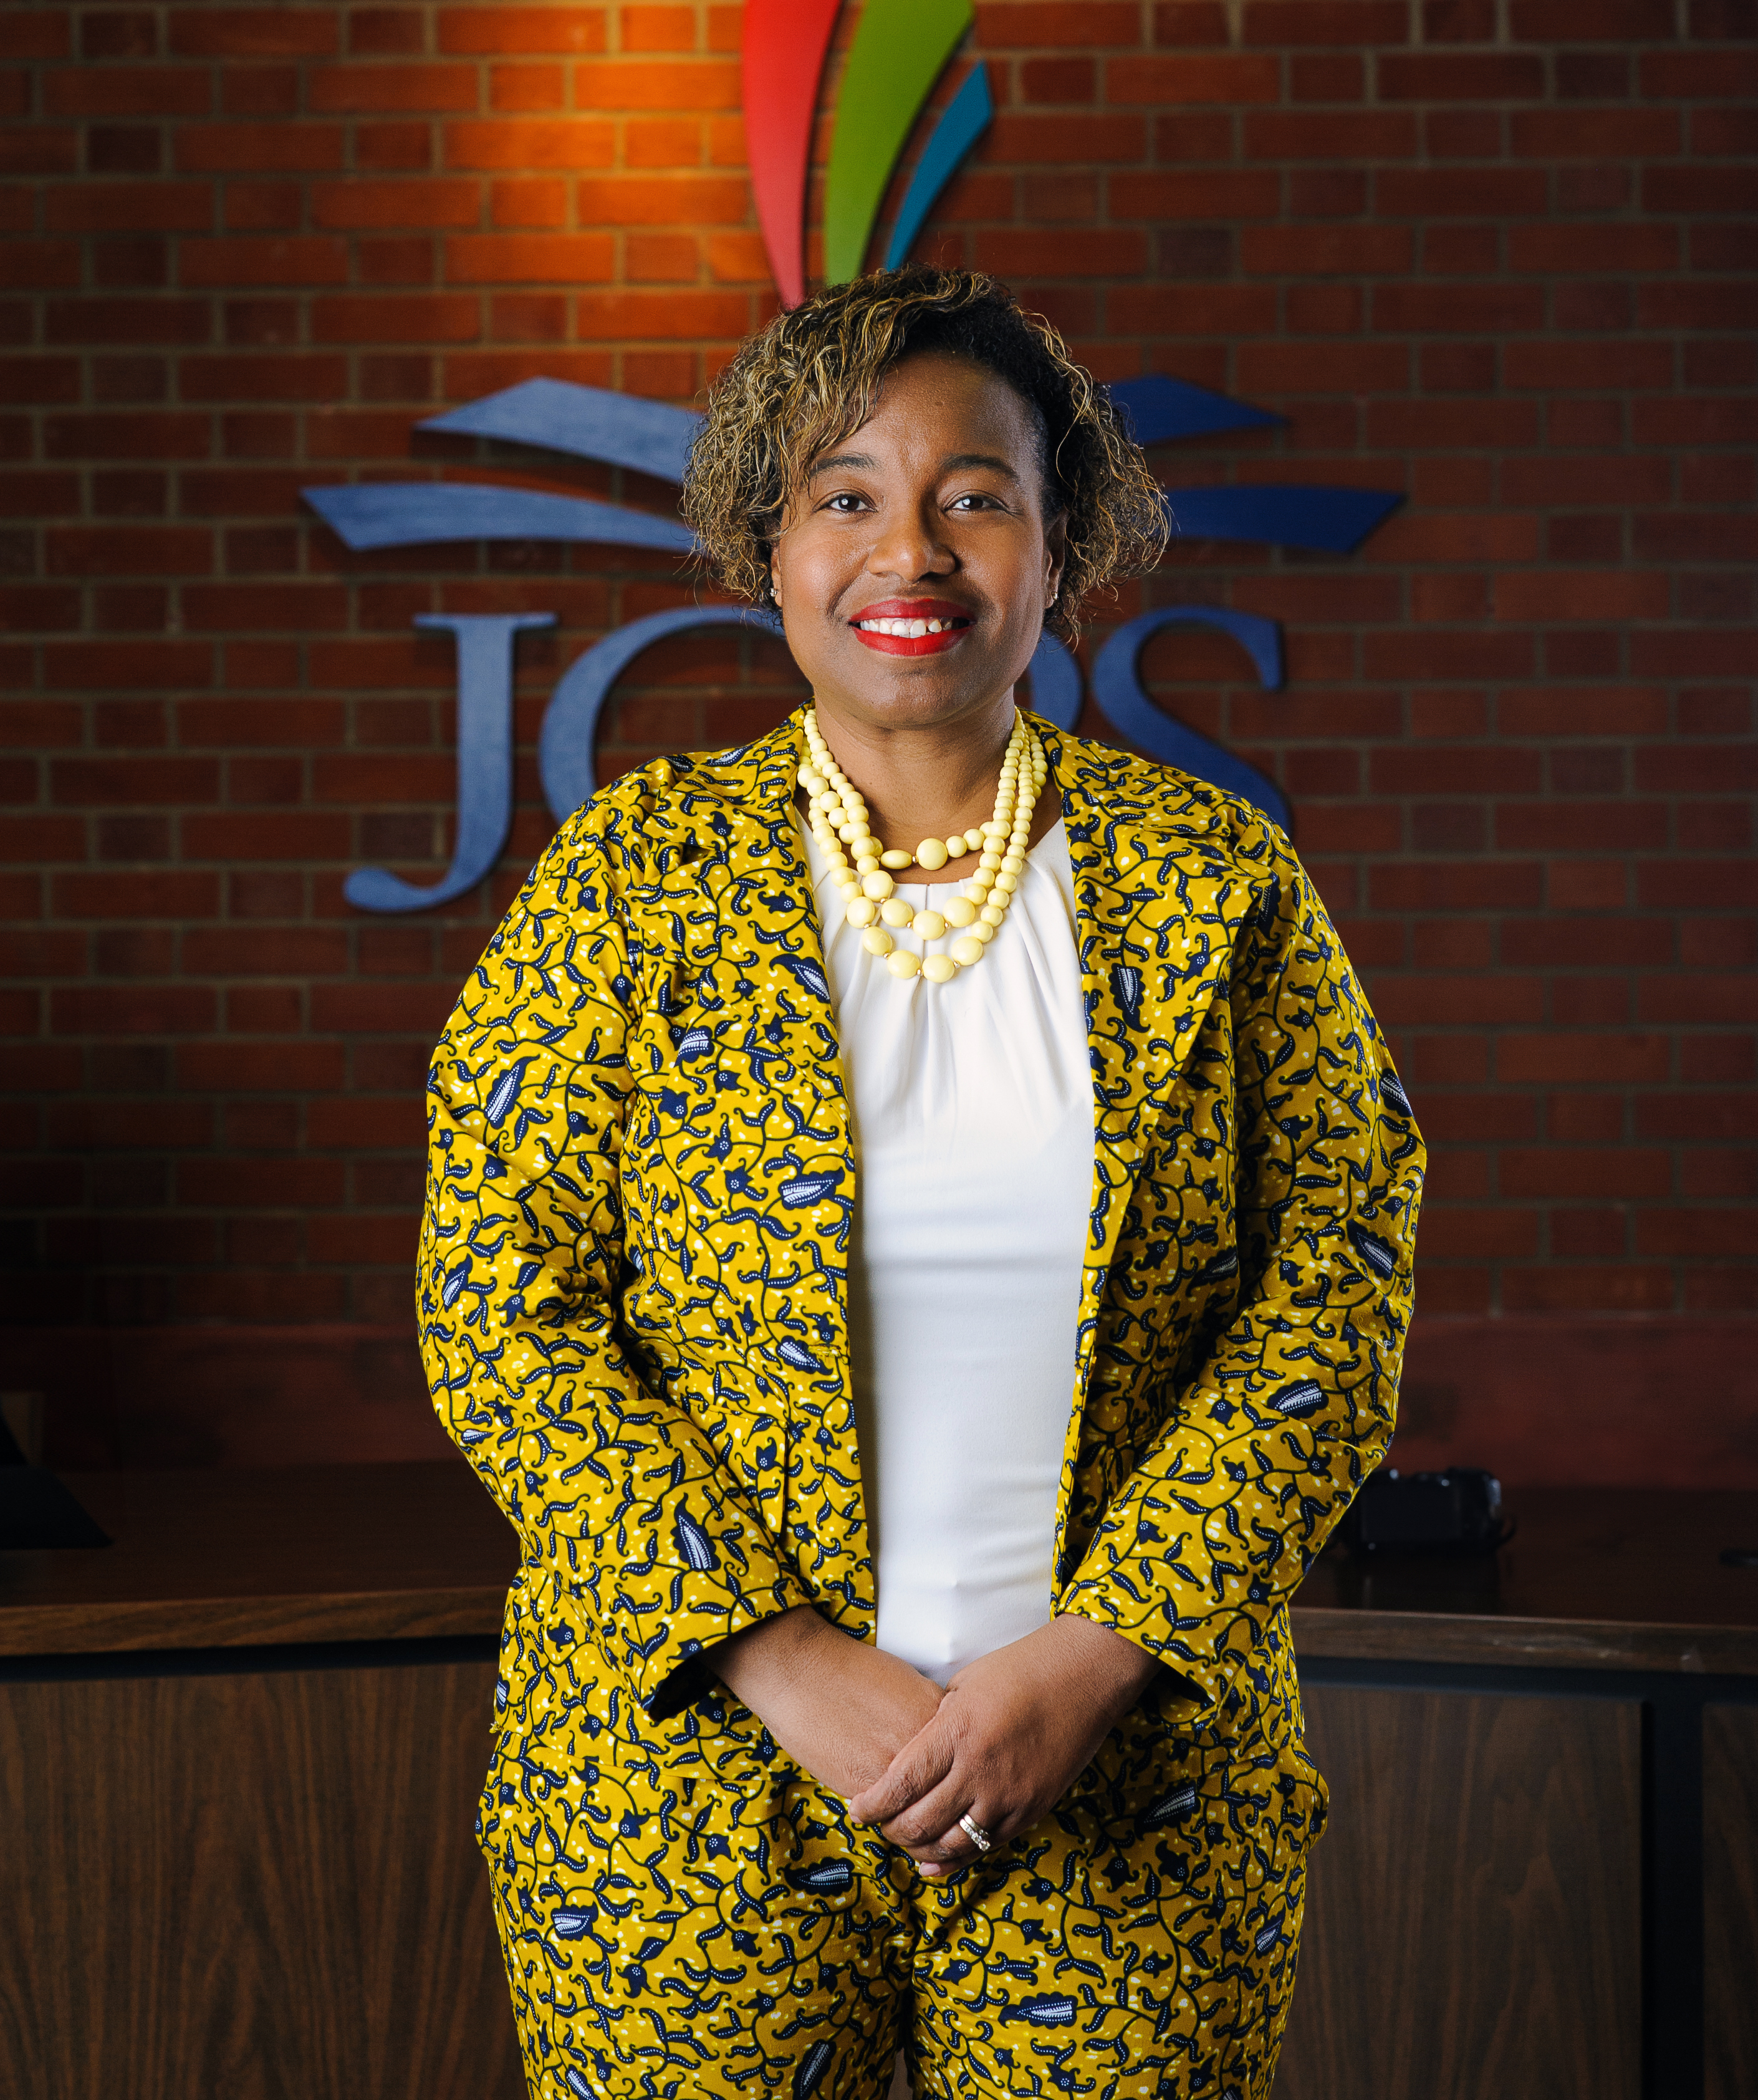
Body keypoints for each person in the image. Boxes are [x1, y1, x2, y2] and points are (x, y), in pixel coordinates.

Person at [420, 264, 1424, 2100]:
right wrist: (783, 1654)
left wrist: (1097, 1653)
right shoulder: (630, 878)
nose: (912, 550)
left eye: (973, 494)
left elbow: (1337, 1282)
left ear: (1060, 546)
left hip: (1129, 1794)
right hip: (684, 1799)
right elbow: (501, 1302)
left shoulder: (1213, 880)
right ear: (770, 547)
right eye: (845, 494)